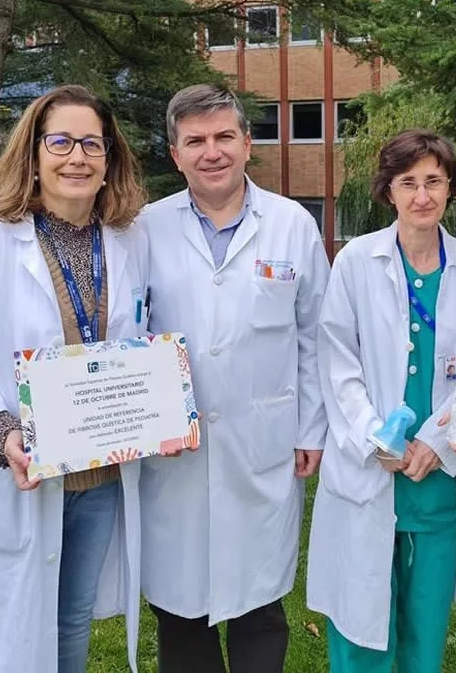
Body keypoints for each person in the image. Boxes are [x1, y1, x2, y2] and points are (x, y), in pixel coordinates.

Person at [0, 85, 151, 673]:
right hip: (21, 476)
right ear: (34, 155)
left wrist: (161, 409)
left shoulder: (130, 243)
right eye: (61, 142)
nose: (77, 157)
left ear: (109, 159)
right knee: (9, 632)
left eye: (92, 143)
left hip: (100, 479)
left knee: (71, 620)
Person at [137, 84, 330, 673]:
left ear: (248, 143)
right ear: (176, 155)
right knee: (180, 611)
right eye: (195, 141)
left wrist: (311, 429)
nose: (212, 151)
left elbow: (316, 335)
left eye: (224, 136)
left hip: (262, 444)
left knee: (260, 609)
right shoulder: (144, 228)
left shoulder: (292, 224)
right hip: (175, 454)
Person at [306, 129, 456, 672]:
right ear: (388, 191)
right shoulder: (356, 261)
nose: (422, 195)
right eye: (408, 182)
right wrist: (376, 436)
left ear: (450, 188)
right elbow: (337, 361)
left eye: (434, 181)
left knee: (424, 636)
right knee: (360, 636)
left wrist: (438, 443)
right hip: (371, 470)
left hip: (438, 481)